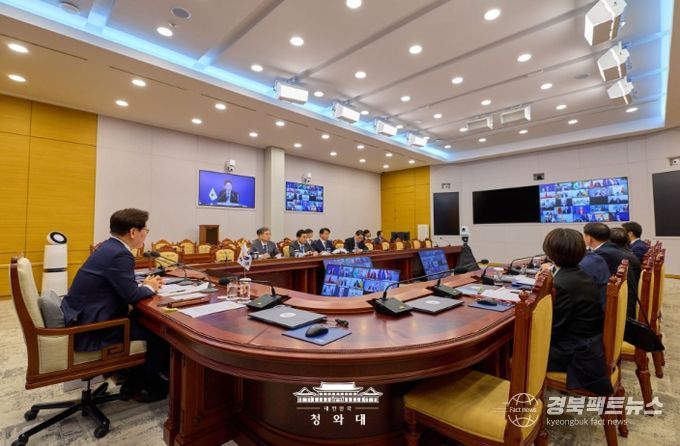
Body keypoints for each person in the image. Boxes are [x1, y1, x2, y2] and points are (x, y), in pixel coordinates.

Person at [61, 208, 168, 402]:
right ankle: (148, 387)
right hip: (92, 329)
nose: (146, 234)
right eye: (145, 230)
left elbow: (122, 287)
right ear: (133, 232)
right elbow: (132, 296)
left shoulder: (108, 247)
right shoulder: (120, 254)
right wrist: (150, 287)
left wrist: (144, 286)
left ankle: (133, 381)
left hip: (82, 318)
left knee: (141, 320)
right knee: (159, 332)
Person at [542, 228, 612, 395]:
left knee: (513, 348)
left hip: (575, 354)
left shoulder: (561, 285)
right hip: (588, 343)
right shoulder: (580, 274)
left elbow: (552, 331)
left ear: (550, 253)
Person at [583, 223, 638, 318]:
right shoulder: (610, 249)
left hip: (621, 310)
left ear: (588, 238)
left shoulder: (602, 254)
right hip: (625, 300)